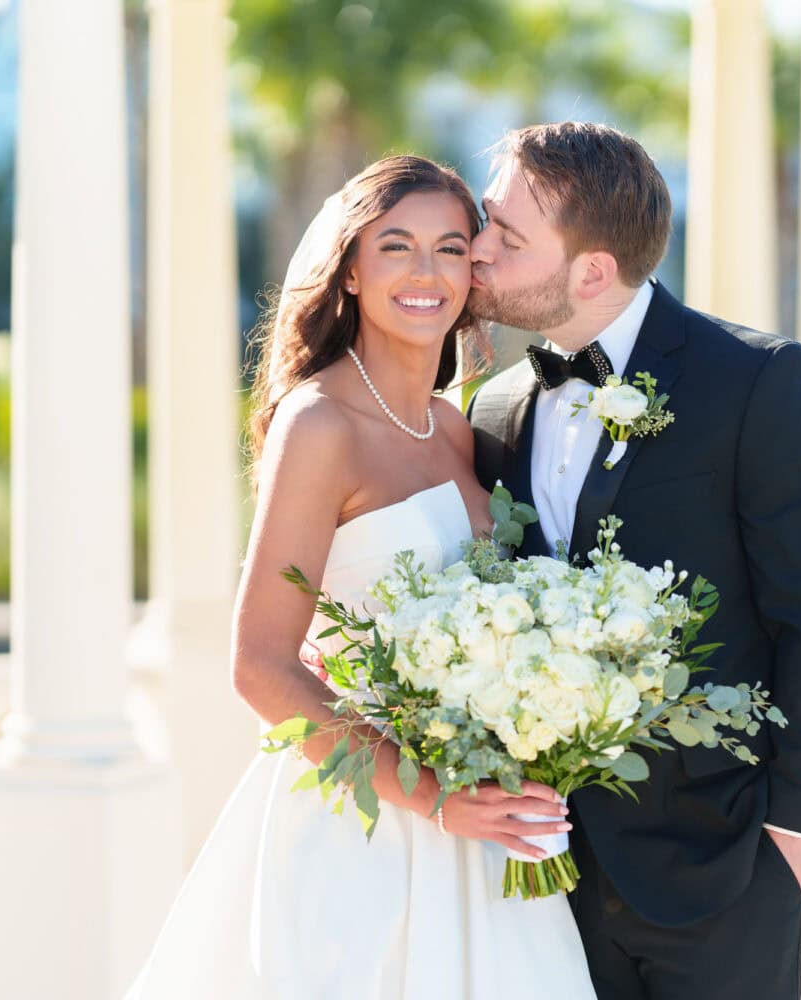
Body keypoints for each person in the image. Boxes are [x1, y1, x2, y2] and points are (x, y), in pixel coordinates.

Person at [125, 155, 597, 999]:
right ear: (350, 269)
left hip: (487, 826)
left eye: (451, 249)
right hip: (368, 826)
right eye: (396, 248)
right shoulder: (318, 424)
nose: (426, 273)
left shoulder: (457, 428)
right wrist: (431, 796)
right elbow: (259, 664)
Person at [467, 122, 801, 1000]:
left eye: (507, 235)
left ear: (590, 270)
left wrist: (793, 835)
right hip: (544, 878)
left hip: (725, 862)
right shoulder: (493, 408)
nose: (478, 250)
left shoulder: (763, 381)